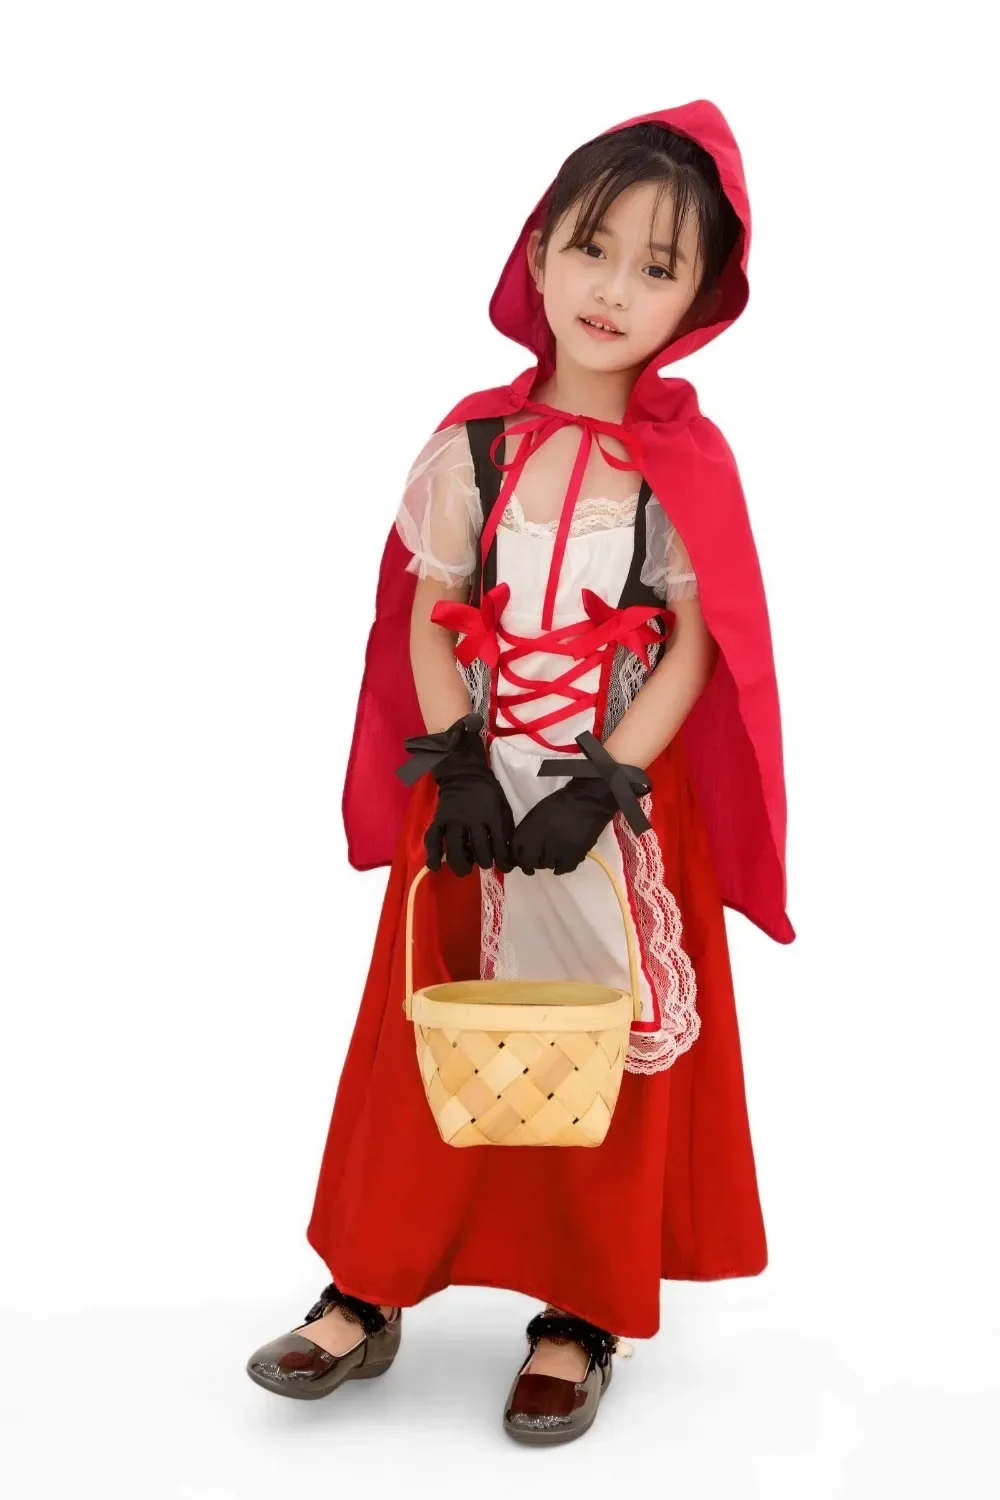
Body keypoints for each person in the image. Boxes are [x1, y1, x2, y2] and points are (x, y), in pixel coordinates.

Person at [246, 99, 794, 1446]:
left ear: (698, 301)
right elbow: (432, 613)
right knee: (426, 1034)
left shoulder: (679, 465)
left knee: (602, 1045)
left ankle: (579, 1312)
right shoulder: (475, 444)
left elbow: (699, 645)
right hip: (476, 795)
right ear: (539, 251)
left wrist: (608, 780)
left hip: (617, 807)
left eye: (656, 267)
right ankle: (368, 1286)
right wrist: (460, 767)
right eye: (592, 247)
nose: (613, 290)